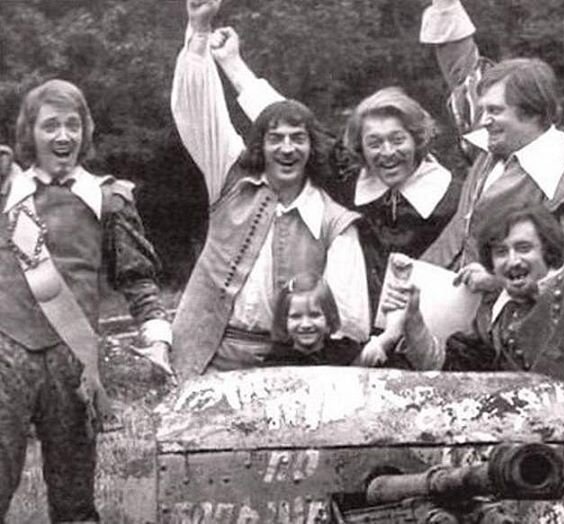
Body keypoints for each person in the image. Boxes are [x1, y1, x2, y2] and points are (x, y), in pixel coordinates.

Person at [392, 116, 564, 522]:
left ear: (549, 250)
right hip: (536, 466)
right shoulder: (493, 320)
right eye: (501, 252)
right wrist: (414, 323)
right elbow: (451, 373)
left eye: (523, 247)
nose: (512, 260)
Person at [0, 79, 171, 522]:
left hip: (73, 365)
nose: (63, 136)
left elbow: (138, 279)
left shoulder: (108, 198)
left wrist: (157, 340)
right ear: (30, 131)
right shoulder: (6, 191)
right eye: (50, 126)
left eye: (72, 125)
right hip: (5, 356)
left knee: (74, 500)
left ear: (85, 130)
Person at [171, 0, 370, 379]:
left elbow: (350, 323)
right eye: (275, 138)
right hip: (209, 355)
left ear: (312, 147)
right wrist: (199, 31)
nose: (287, 148)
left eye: (298, 138)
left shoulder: (335, 222)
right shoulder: (231, 182)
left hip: (295, 365)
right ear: (260, 145)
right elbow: (197, 114)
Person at [208, 25, 461, 320]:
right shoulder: (347, 176)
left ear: (417, 139)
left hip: (426, 329)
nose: (387, 152)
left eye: (397, 140)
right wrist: (231, 62)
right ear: (361, 148)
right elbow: (286, 120)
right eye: (374, 143)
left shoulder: (452, 198)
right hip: (346, 331)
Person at [418, 0, 564, 292]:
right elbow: (462, 72)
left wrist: (499, 281)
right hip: (446, 296)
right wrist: (445, 4)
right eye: (484, 109)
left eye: (494, 111)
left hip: (513, 316)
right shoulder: (492, 144)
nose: (484, 120)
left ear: (531, 113)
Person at [265, 272, 363, 366]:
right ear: (284, 320)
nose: (306, 324)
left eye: (314, 315)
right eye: (296, 317)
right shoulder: (277, 360)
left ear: (329, 317)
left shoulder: (345, 355)